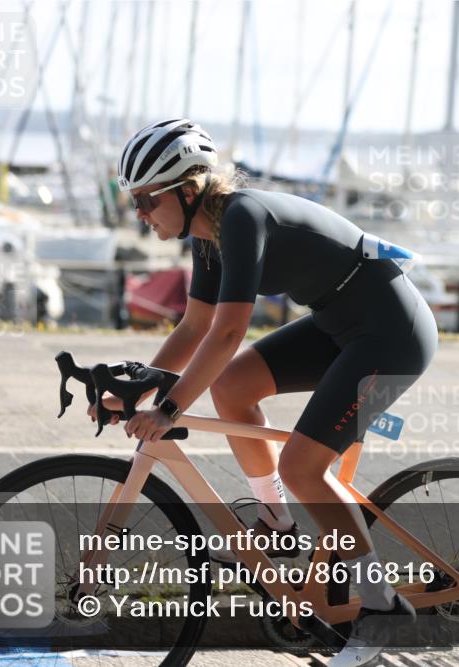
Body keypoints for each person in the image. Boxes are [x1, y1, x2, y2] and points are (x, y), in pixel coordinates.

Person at [95, 118, 437, 665]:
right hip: (340, 324)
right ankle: (277, 519)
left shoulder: (241, 218)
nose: (140, 214)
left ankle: (382, 604)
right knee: (233, 385)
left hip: (392, 334)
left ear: (187, 190)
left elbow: (229, 332)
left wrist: (170, 409)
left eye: (146, 200)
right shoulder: (206, 237)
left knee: (305, 466)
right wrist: (140, 390)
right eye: (134, 202)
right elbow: (193, 327)